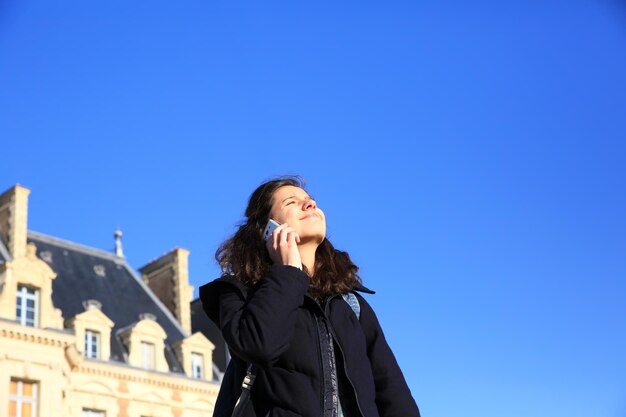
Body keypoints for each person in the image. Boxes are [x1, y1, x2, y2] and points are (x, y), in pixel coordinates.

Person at [200, 176, 420, 417]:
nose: (310, 205)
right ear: (266, 230)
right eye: (291, 202)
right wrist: (287, 272)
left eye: (311, 201)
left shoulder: (351, 305)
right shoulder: (237, 292)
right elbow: (259, 347)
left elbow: (393, 393)